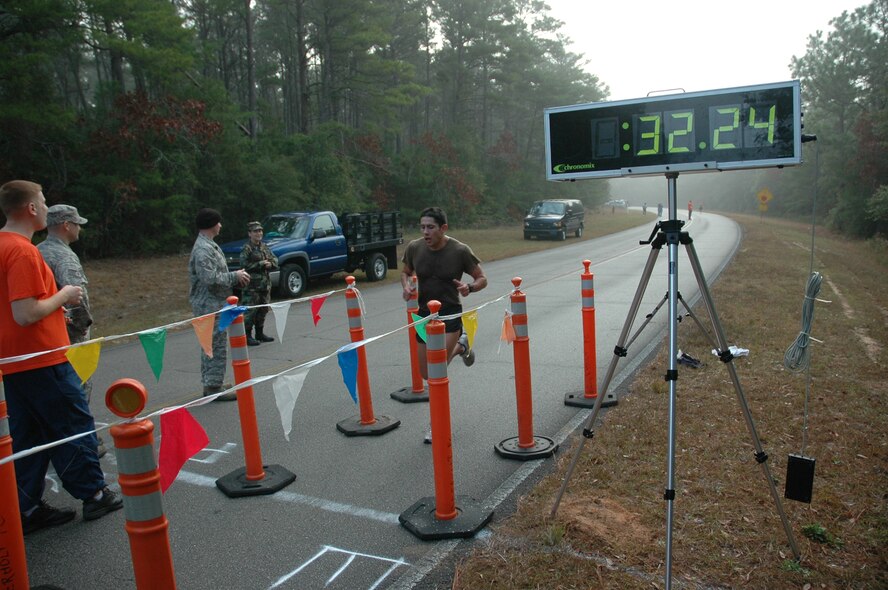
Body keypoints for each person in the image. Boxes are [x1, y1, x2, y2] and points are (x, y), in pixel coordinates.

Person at [0, 180, 123, 535]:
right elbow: (25, 313)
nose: (44, 204)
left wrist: (55, 313)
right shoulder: (23, 252)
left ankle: (24, 507)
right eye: (41, 200)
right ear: (31, 209)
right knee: (73, 426)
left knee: (29, 438)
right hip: (42, 360)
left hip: (15, 361)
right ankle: (95, 494)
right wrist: (65, 295)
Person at [401, 207, 487, 443]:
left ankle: (436, 426)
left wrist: (469, 287)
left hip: (449, 316)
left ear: (443, 228)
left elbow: (482, 278)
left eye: (430, 227)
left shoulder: (460, 250)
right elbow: (406, 272)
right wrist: (407, 286)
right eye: (422, 227)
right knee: (427, 373)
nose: (425, 232)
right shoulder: (414, 247)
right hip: (423, 317)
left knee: (437, 374)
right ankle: (462, 346)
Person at [37, 204, 107, 458]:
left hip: (46, 332)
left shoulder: (37, 251)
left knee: (54, 388)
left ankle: (59, 440)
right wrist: (82, 328)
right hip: (69, 334)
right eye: (77, 223)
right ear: (66, 225)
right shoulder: (64, 256)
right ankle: (82, 442)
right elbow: (76, 296)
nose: (79, 228)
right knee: (78, 386)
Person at [189, 208, 249, 400]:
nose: (221, 225)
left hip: (215, 303)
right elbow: (209, 278)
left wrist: (235, 276)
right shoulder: (203, 249)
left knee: (214, 344)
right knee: (213, 345)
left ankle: (213, 382)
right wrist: (234, 276)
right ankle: (213, 388)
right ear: (211, 225)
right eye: (218, 222)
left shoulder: (209, 245)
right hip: (209, 305)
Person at [239, 221, 278, 346]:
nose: (259, 233)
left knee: (263, 309)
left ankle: (260, 333)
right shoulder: (247, 248)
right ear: (250, 233)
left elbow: (275, 259)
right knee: (250, 312)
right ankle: (247, 335)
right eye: (255, 231)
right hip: (251, 287)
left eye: (260, 231)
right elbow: (243, 265)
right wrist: (260, 264)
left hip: (264, 285)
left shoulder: (264, 247)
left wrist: (270, 264)